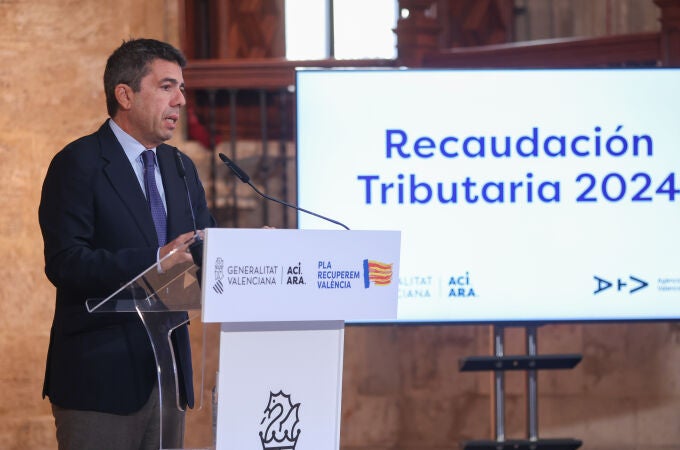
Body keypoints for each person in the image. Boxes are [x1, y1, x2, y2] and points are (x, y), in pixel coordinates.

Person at [38, 38, 216, 450]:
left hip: (167, 374)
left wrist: (242, 251)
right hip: (99, 380)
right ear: (125, 94)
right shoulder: (78, 163)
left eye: (183, 89)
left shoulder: (181, 168)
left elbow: (201, 244)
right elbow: (66, 262)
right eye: (167, 86)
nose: (181, 101)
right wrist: (155, 259)